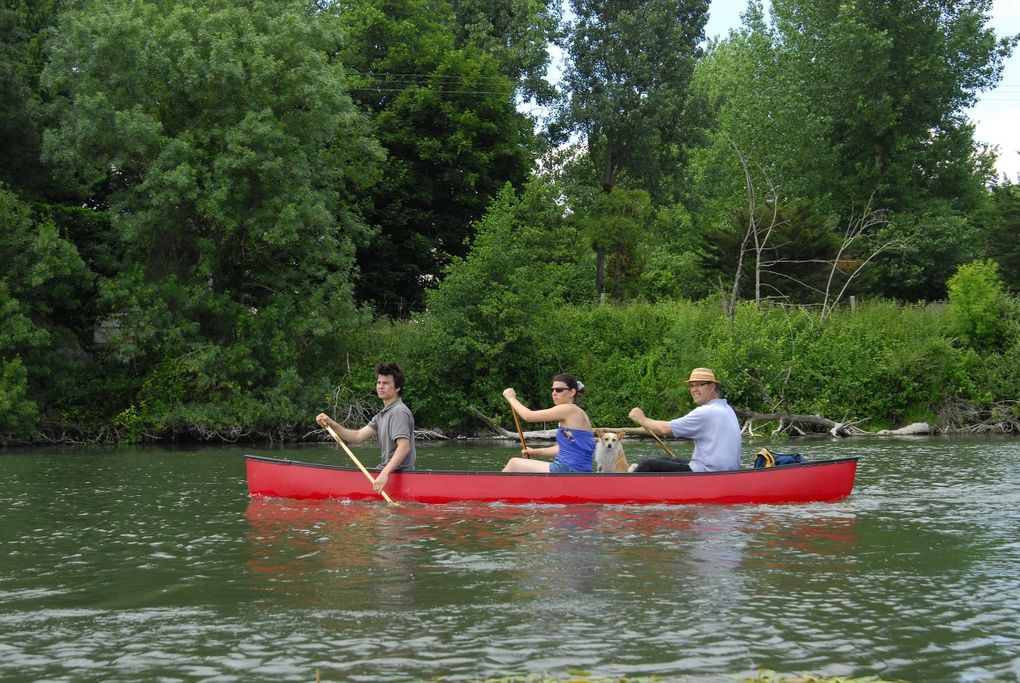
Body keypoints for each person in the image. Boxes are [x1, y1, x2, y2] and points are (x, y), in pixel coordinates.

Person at [316, 362, 416, 492]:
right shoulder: (382, 415)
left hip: (399, 476)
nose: (380, 386)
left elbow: (404, 447)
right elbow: (357, 437)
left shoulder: (398, 412)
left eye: (385, 383)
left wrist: (384, 474)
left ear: (397, 388)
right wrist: (331, 424)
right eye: (379, 382)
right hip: (388, 472)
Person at [628, 367, 741, 473]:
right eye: (692, 386)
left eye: (699, 385)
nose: (694, 390)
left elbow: (664, 429)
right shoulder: (727, 409)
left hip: (708, 472)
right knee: (662, 459)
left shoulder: (706, 412)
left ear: (712, 386)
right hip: (725, 472)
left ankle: (626, 491)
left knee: (648, 465)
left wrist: (642, 419)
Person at [501, 373, 595, 473]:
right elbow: (565, 449)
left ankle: (489, 488)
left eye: (559, 390)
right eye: (552, 390)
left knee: (513, 463)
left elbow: (528, 416)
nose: (554, 393)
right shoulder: (576, 413)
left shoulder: (568, 409)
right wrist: (536, 452)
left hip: (569, 469)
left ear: (572, 392)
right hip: (577, 469)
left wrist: (511, 398)